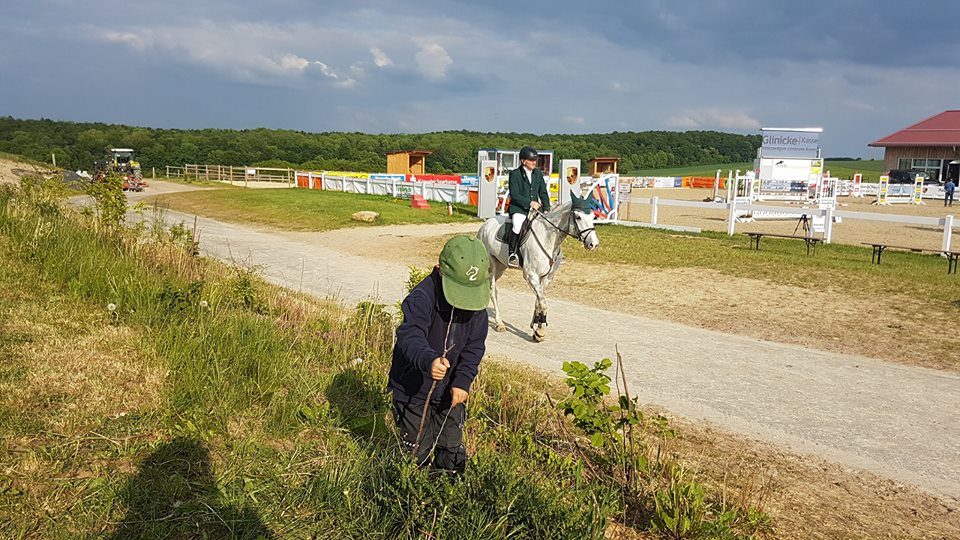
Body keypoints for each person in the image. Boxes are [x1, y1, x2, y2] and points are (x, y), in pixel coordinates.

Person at [388, 235, 490, 474]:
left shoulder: (478, 310)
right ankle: (411, 493)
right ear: (440, 270)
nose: (465, 302)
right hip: (413, 389)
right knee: (416, 451)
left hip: (451, 390)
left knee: (451, 447)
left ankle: (447, 492)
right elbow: (410, 335)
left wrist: (463, 382)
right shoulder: (421, 297)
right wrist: (428, 360)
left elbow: (474, 348)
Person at [507, 146, 551, 267]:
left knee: (549, 225)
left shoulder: (537, 174)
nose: (534, 162)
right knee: (517, 224)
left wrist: (547, 208)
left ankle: (555, 252)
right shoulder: (515, 174)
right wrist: (529, 203)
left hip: (536, 209)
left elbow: (543, 192)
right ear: (523, 161)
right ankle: (512, 253)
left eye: (535, 160)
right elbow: (514, 195)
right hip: (519, 208)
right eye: (531, 160)